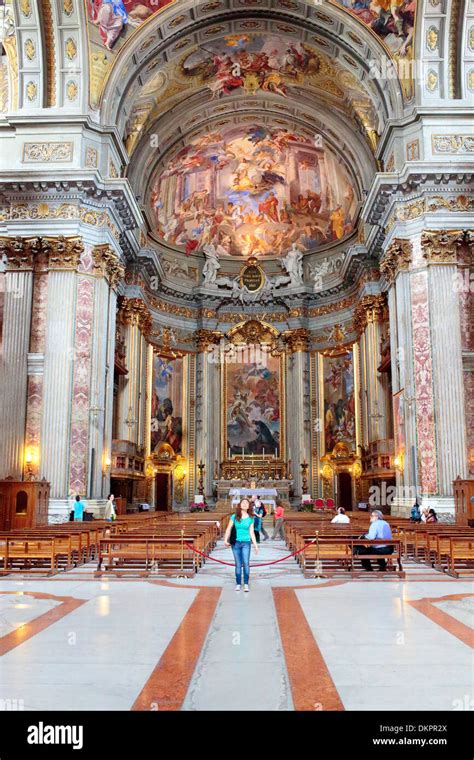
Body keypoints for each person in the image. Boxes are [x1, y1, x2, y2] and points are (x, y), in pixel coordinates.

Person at [224, 498, 259, 592]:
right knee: (238, 564)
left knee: (246, 563)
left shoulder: (251, 518)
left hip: (246, 543)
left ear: (249, 506)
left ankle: (246, 583)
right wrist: (225, 540)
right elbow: (228, 529)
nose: (244, 504)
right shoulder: (234, 516)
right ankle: (238, 583)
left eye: (246, 503)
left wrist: (255, 545)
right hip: (235, 543)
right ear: (240, 505)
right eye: (243, 502)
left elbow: (251, 532)